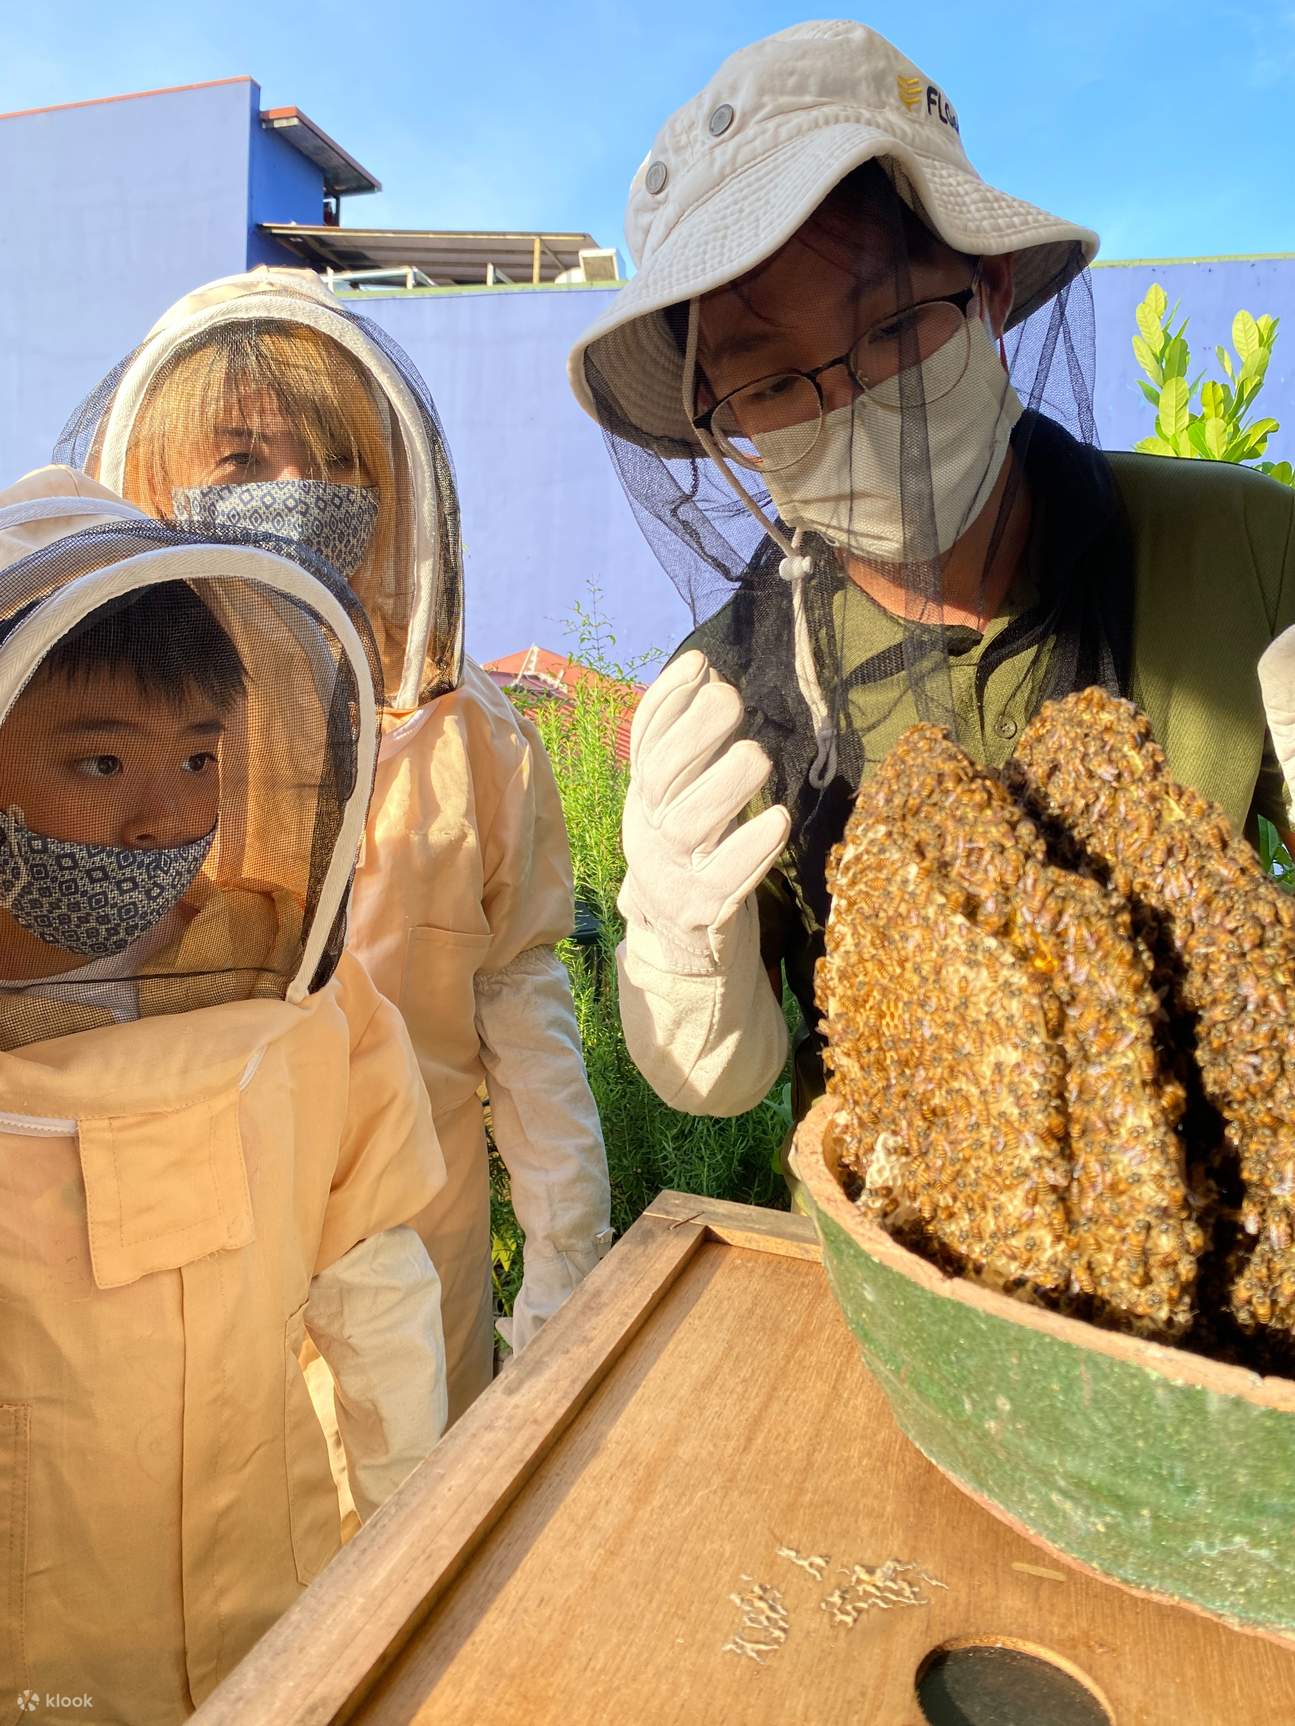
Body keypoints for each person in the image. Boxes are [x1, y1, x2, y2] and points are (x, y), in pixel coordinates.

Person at [566, 20, 1295, 1134]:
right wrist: (680, 965)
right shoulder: (723, 699)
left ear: (990, 288)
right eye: (767, 387)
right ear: (722, 422)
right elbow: (717, 1078)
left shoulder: (1243, 550)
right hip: (891, 1267)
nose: (847, 406)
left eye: (895, 325)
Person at [59, 270, 613, 1422]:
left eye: (338, 461)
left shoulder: (469, 736)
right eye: (243, 459)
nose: (299, 492)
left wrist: (564, 1267)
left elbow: (518, 996)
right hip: (185, 1289)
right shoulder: (101, 744)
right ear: (152, 476)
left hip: (424, 1266)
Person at [0, 469, 448, 1720]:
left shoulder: (290, 992)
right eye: (100, 759)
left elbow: (372, 1286)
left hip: (277, 1606)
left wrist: (417, 1547)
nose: (164, 817)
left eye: (200, 756)